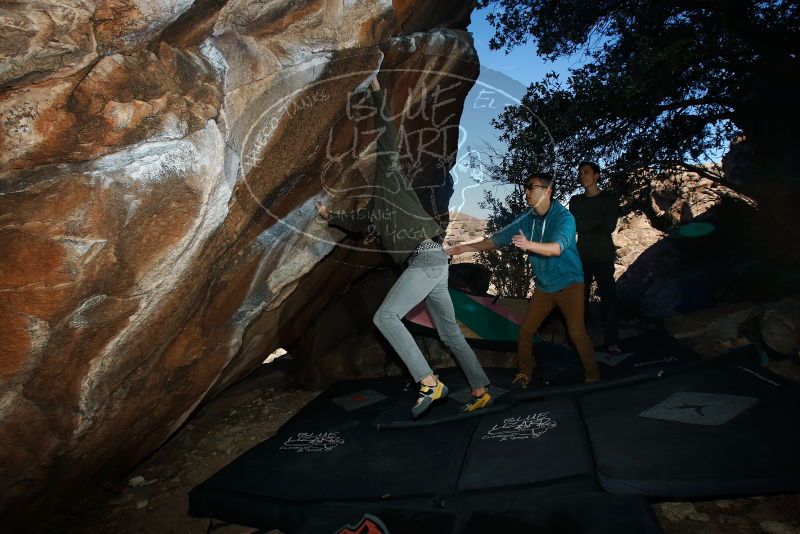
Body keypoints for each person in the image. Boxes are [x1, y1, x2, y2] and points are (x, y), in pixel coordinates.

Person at [316, 77, 492, 418]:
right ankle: (481, 389)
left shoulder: (390, 179)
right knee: (450, 334)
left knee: (385, 316)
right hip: (433, 262)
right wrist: (328, 215)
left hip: (425, 259)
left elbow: (388, 141)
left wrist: (379, 94)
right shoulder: (374, 211)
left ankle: (428, 382)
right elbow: (354, 223)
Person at [446, 172, 599, 387]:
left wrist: (529, 245)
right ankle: (524, 374)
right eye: (525, 186)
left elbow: (556, 248)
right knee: (526, 331)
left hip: (569, 285)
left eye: (531, 187)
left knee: (576, 332)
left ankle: (593, 377)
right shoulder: (526, 218)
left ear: (547, 191)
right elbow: (495, 240)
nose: (526, 191)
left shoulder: (564, 218)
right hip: (544, 288)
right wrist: (463, 248)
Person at [569, 162, 621, 353]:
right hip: (581, 256)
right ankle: (580, 341)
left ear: (597, 175)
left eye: (587, 172)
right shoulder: (576, 200)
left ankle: (612, 341)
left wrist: (586, 223)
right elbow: (575, 226)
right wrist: (598, 221)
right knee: (578, 300)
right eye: (580, 173)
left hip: (604, 256)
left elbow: (609, 227)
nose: (583, 176)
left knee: (609, 299)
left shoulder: (609, 198)